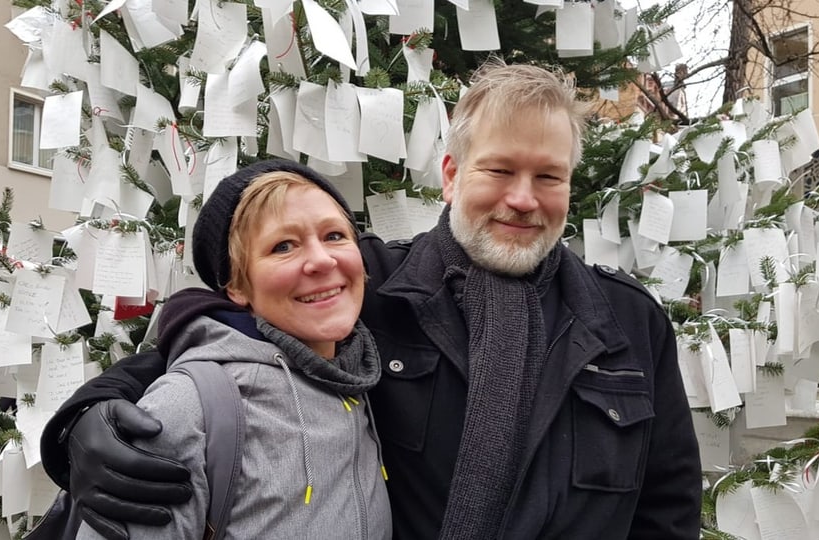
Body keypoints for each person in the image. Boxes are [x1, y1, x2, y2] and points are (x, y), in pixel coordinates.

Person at [40, 60, 701, 539]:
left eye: (547, 176)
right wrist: (87, 418)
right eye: (499, 170)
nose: (523, 198)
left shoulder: (628, 322)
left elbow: (666, 510)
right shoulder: (371, 287)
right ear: (450, 175)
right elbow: (223, 335)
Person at [73, 161, 391, 538]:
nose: (323, 260)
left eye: (335, 235)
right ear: (237, 288)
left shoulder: (356, 379)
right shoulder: (189, 408)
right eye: (283, 246)